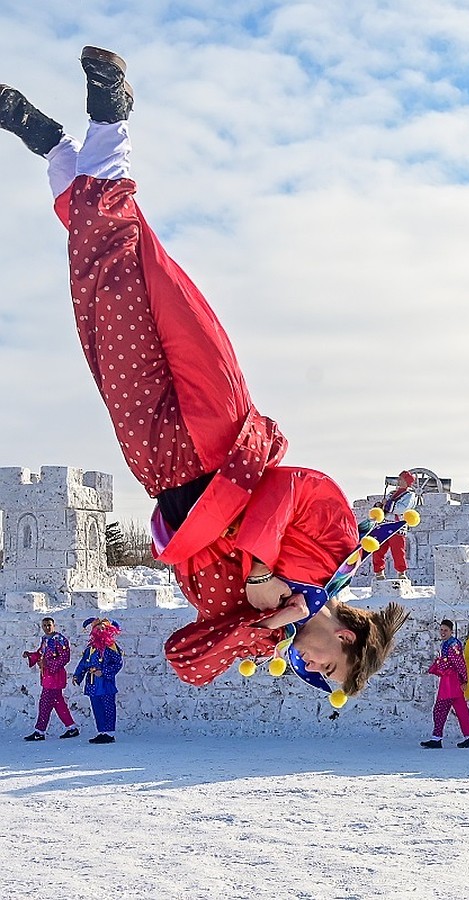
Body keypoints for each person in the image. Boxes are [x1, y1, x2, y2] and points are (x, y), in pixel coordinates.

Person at [0, 49, 407, 703]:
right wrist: (262, 569)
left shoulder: (254, 632)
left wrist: (254, 625)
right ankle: (109, 122)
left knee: (98, 300)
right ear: (351, 640)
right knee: (138, 272)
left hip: (160, 465)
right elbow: (294, 488)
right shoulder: (332, 555)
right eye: (327, 670)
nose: (309, 670)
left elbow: (183, 660)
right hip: (219, 429)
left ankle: (58, 150)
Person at [420, 619, 469, 749]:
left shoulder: (452, 645)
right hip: (451, 681)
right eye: (441, 630)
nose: (443, 632)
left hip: (451, 682)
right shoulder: (448, 643)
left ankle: (437, 738)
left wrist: (464, 680)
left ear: (451, 631)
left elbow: (460, 663)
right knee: (461, 709)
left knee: (440, 709)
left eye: (445, 630)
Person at [22, 617, 80, 741]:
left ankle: (40, 731)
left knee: (45, 703)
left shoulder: (60, 639)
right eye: (44, 625)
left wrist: (47, 664)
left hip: (55, 676)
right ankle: (71, 727)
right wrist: (31, 655)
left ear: (54, 625)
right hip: (47, 676)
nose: (47, 628)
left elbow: (65, 657)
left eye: (49, 625)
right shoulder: (44, 639)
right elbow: (41, 653)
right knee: (58, 703)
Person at [72, 617, 124, 744]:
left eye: (103, 628)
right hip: (92, 683)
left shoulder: (111, 646)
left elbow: (118, 663)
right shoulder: (90, 648)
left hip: (105, 683)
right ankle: (101, 732)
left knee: (108, 707)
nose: (100, 631)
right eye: (97, 628)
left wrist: (104, 672)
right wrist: (77, 675)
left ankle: (109, 733)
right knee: (97, 708)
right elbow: (83, 663)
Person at [373, 471, 416, 580]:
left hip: (397, 526)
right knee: (378, 548)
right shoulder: (391, 493)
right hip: (384, 524)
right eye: (399, 479)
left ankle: (401, 572)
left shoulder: (410, 495)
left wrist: (386, 504)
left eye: (401, 479)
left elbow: (401, 508)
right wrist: (380, 506)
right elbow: (385, 506)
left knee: (398, 550)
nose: (399, 481)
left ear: (407, 482)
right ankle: (379, 572)